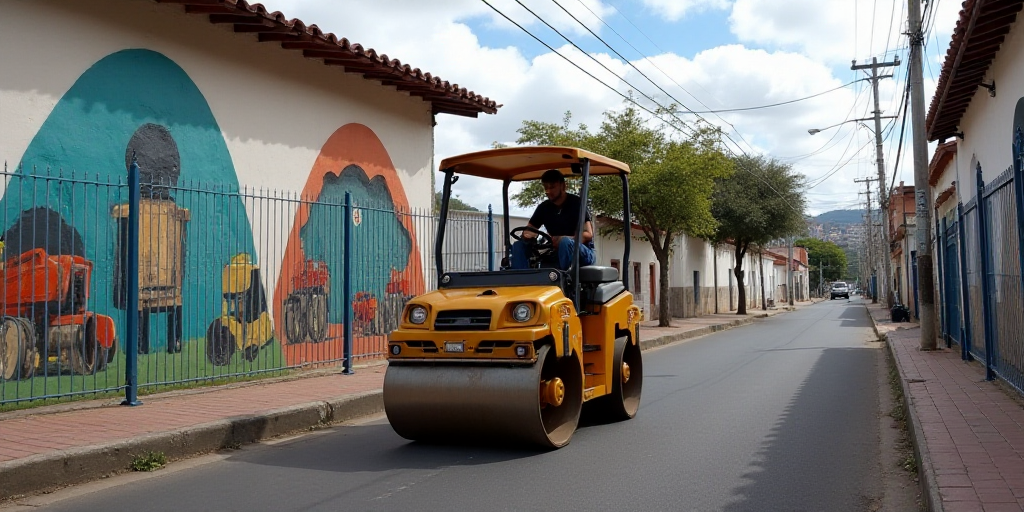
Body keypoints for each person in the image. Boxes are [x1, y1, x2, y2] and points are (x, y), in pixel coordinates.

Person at [511, 169, 596, 270]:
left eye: (552, 187)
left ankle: (564, 280)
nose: (548, 191)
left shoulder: (577, 204)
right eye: (546, 188)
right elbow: (530, 229)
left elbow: (588, 235)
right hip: (555, 251)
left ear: (563, 186)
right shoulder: (544, 208)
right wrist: (527, 235)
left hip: (582, 252)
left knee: (565, 242)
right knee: (519, 245)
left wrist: (564, 238)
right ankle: (521, 280)